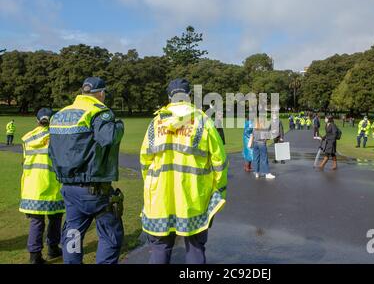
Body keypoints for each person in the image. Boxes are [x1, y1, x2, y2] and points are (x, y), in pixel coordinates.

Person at [140, 79, 228, 264]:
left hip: (159, 199)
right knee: (195, 247)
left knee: (159, 248)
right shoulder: (203, 121)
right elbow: (220, 161)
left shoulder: (155, 123)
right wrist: (218, 190)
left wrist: (151, 189)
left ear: (169, 97)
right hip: (193, 198)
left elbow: (144, 162)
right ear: (189, 96)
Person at [49, 77, 125, 264]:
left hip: (68, 187)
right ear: (101, 93)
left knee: (73, 233)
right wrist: (119, 125)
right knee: (110, 235)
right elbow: (108, 138)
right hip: (93, 188)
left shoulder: (60, 114)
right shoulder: (99, 112)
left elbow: (51, 149)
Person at [19, 108, 65, 264]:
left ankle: (35, 255)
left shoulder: (27, 138)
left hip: (31, 187)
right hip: (52, 185)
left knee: (36, 222)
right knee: (55, 219)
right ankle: (53, 248)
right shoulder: (57, 138)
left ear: (36, 120)